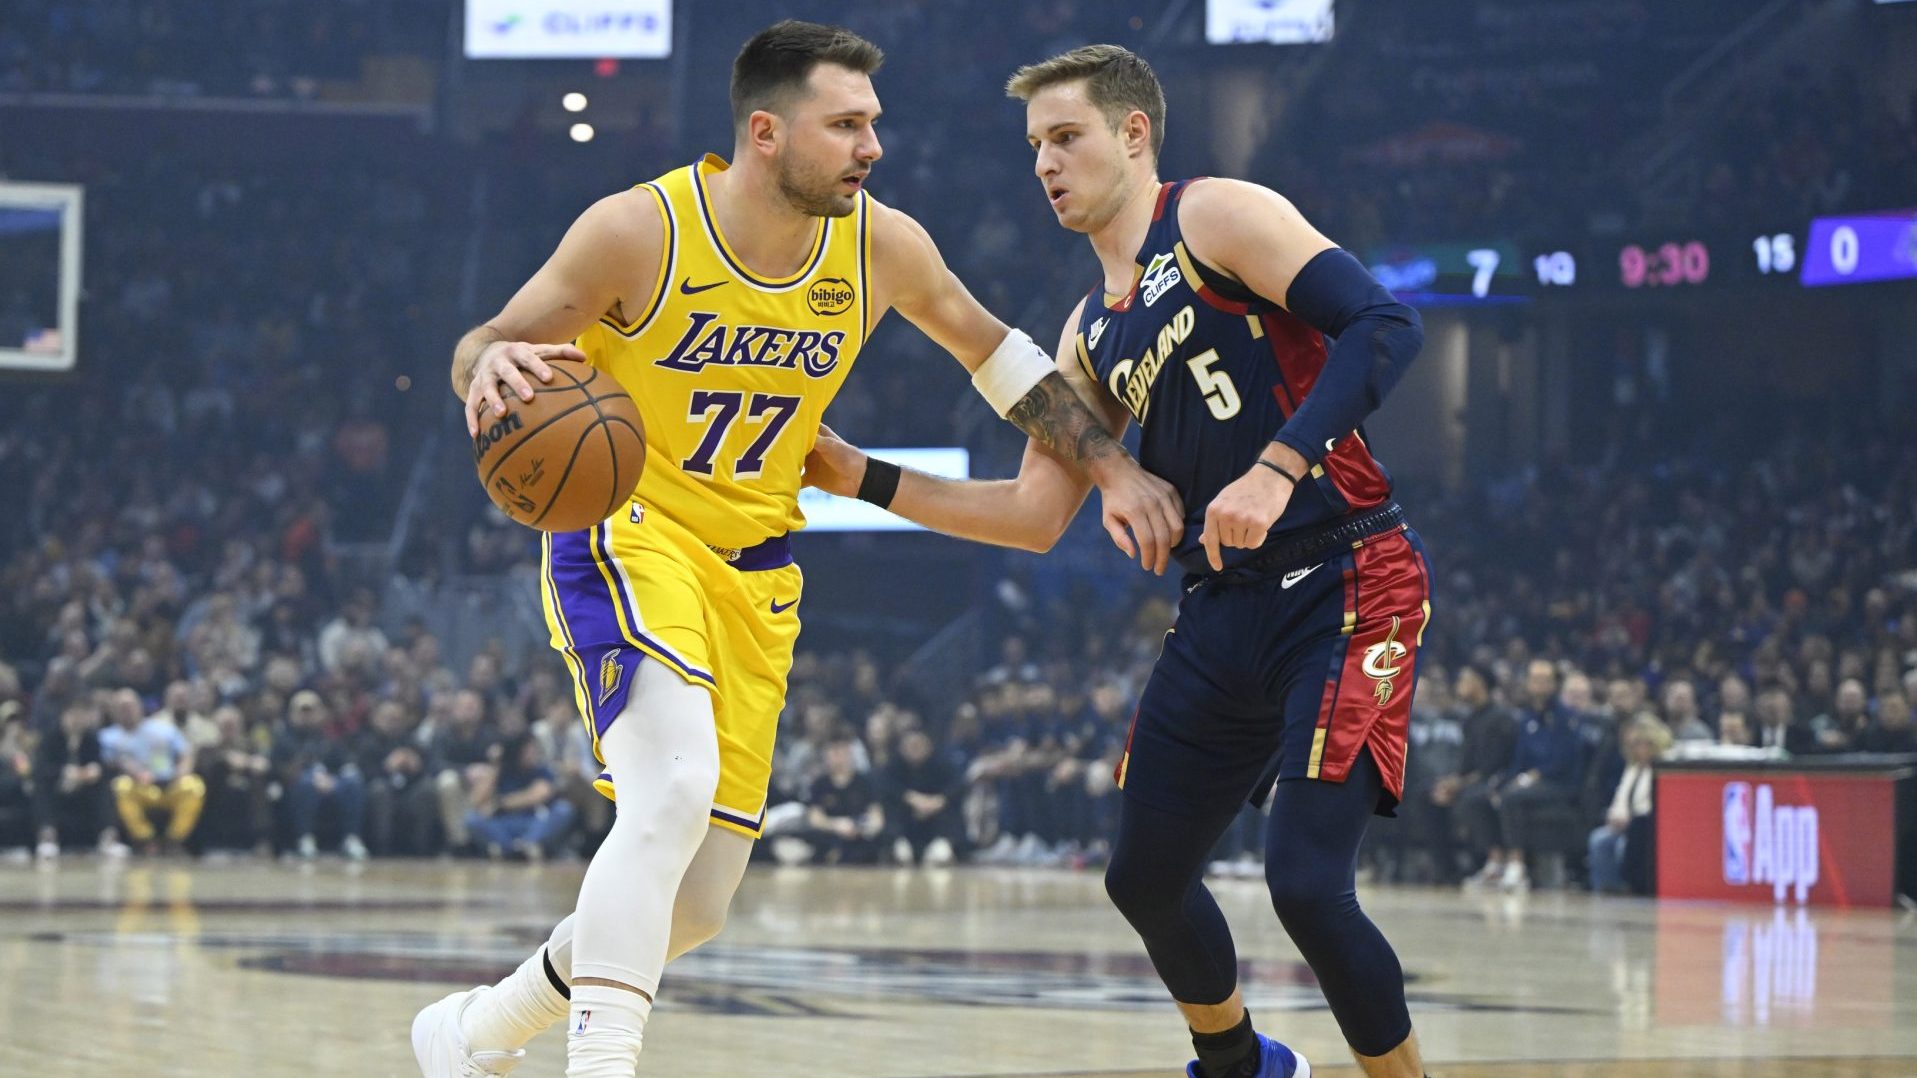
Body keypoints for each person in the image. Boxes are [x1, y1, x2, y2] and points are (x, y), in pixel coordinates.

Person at [412, 21, 1180, 1078]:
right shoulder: (638, 230)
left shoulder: (880, 244)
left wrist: (1110, 466)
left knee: (695, 902)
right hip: (631, 532)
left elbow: (998, 356)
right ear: (766, 133)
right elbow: (483, 340)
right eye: (848, 124)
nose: (873, 146)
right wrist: (484, 369)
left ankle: (473, 1031)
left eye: (874, 123)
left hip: (760, 567)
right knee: (669, 793)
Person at [806, 43, 1429, 1078]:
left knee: (1308, 884)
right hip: (1221, 605)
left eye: (1066, 137)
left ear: (1134, 134)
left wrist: (1276, 466)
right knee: (1143, 876)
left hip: (1348, 576)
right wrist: (859, 475)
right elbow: (1028, 514)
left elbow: (1384, 325)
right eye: (1034, 147)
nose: (1045, 164)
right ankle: (1241, 1065)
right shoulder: (1089, 332)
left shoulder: (1215, 216)